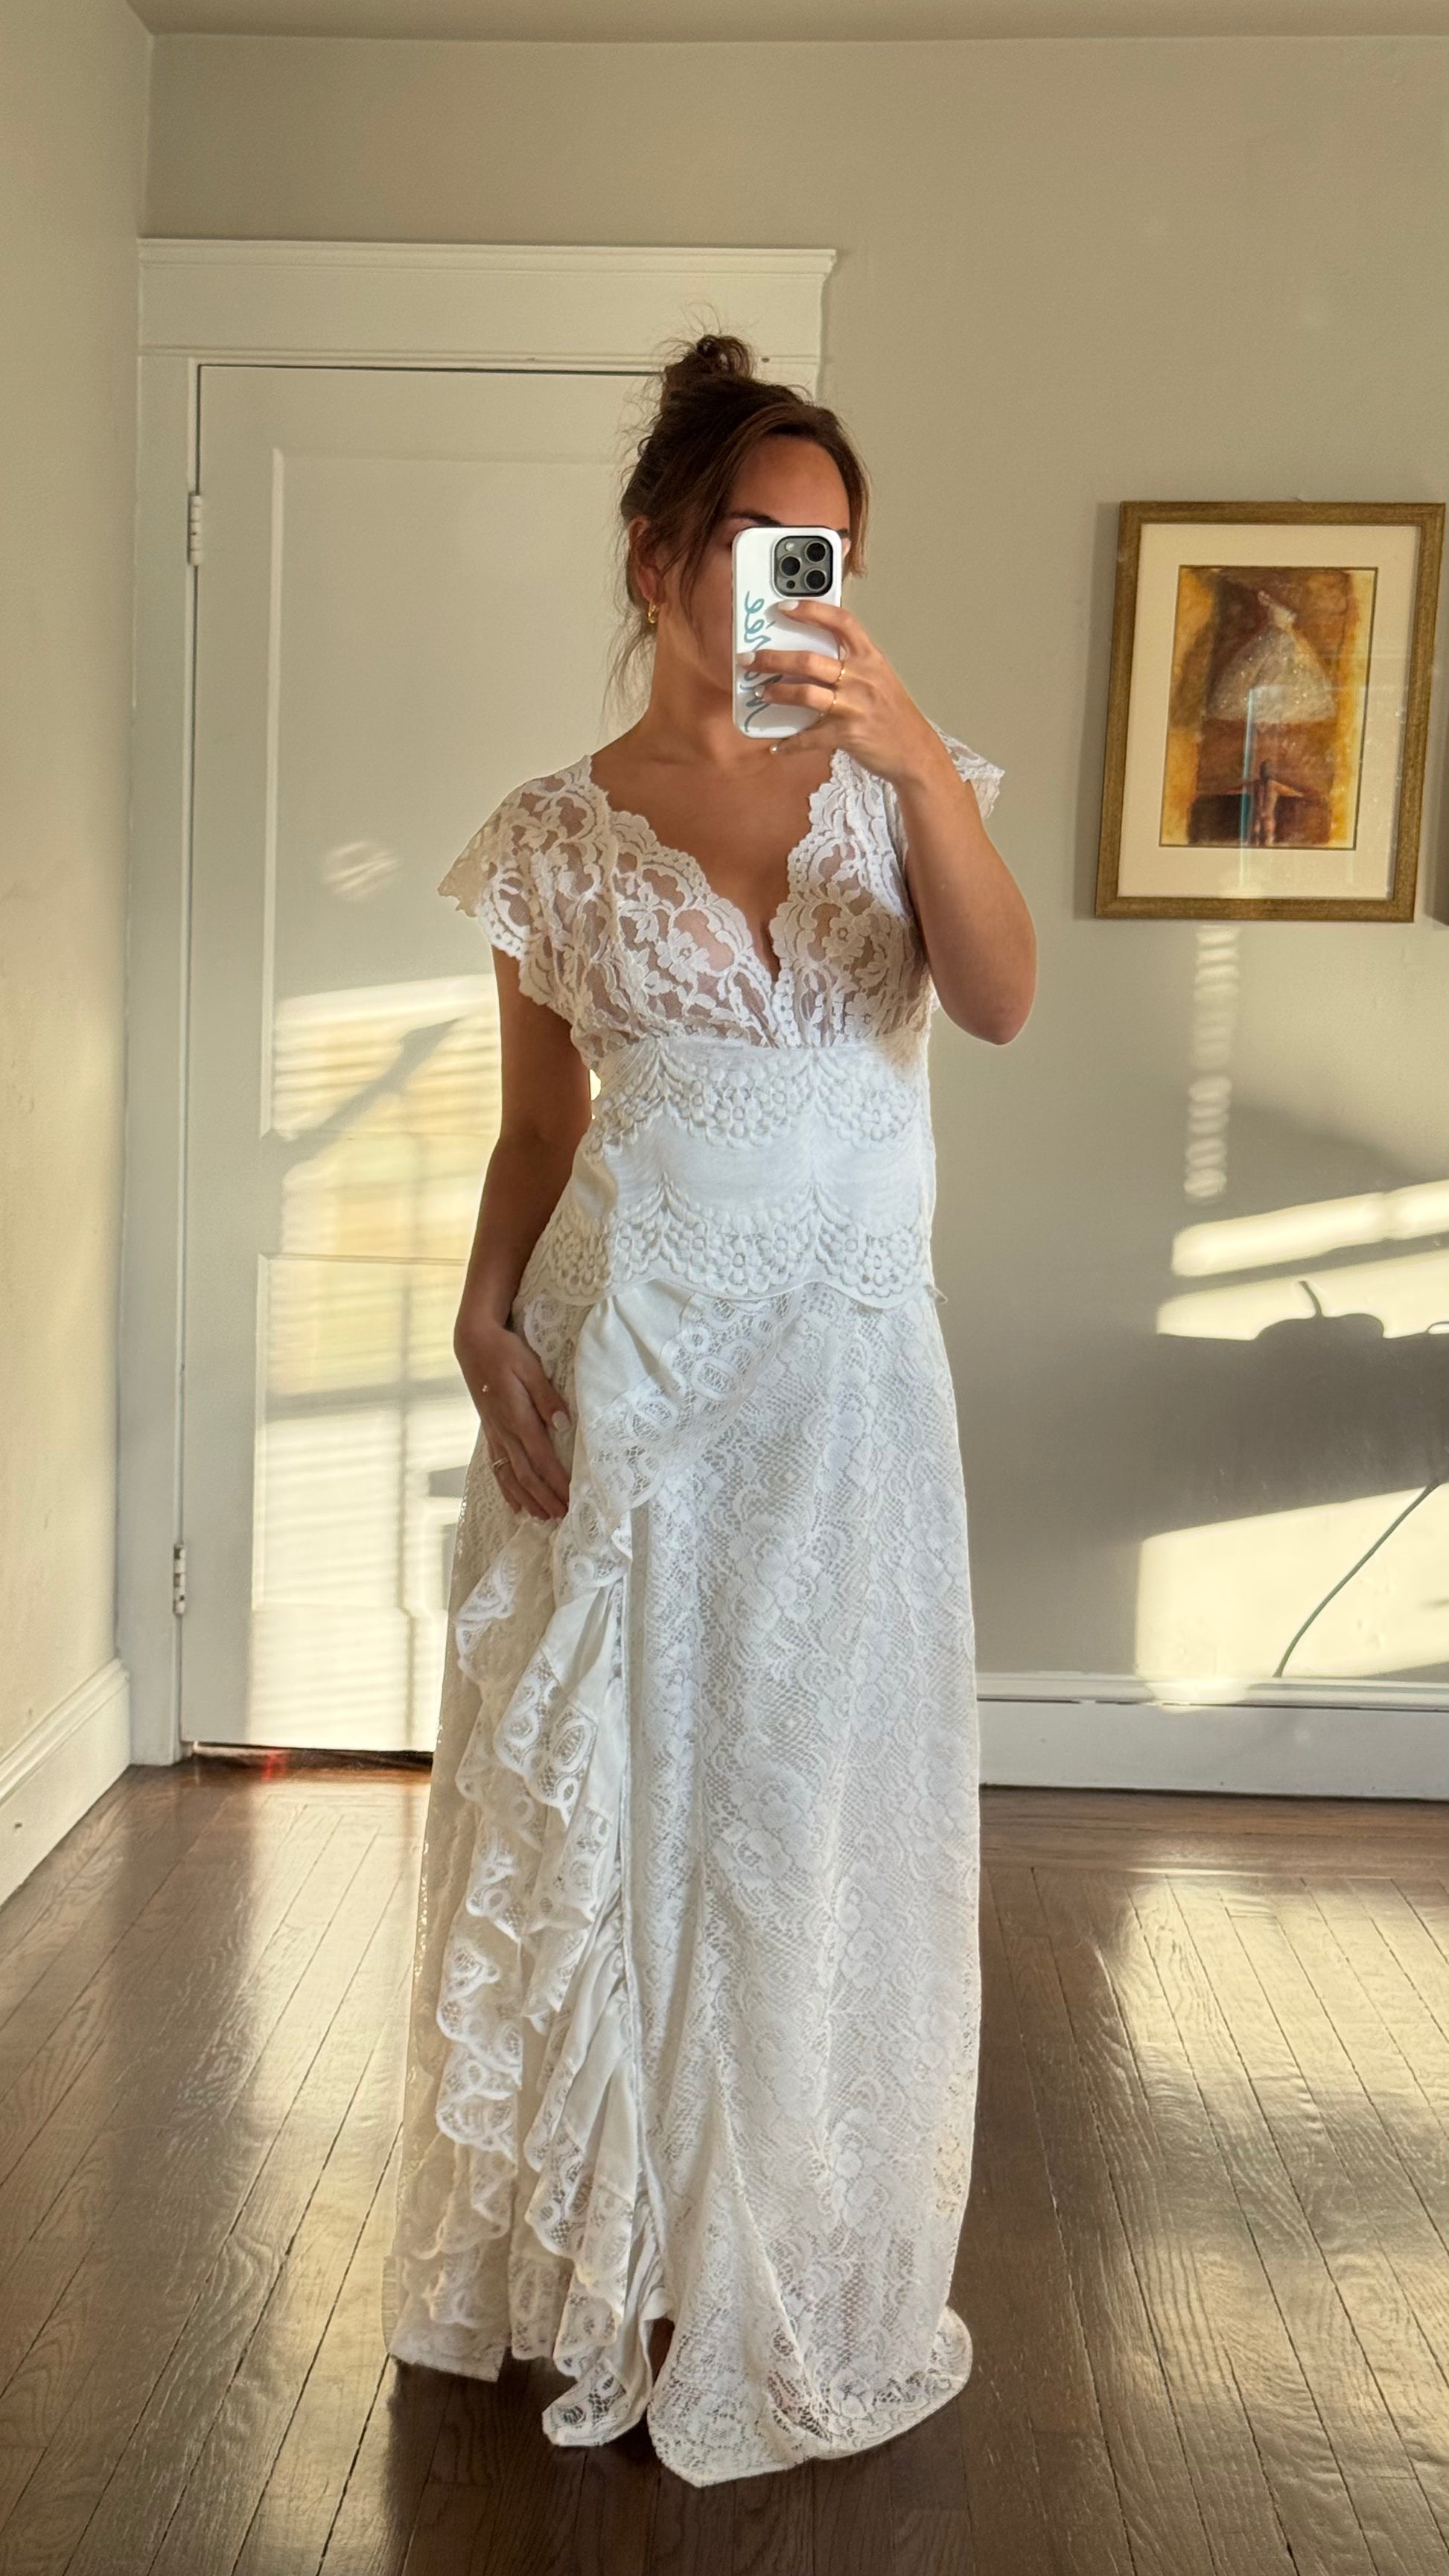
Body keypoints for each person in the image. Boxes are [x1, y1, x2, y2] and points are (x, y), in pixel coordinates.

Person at [379, 331, 1036, 2489]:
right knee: (634, 1812)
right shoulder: (550, 840)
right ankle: (629, 2252)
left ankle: (794, 2240)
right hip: (631, 1374)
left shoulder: (900, 783)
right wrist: (482, 1316)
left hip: (844, 1383)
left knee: (807, 1807)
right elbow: (534, 1129)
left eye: (823, 550)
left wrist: (914, 763)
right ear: (658, 555)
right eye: (755, 541)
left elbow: (1001, 1001)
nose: (790, 586)